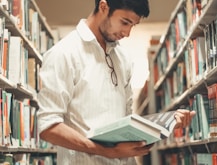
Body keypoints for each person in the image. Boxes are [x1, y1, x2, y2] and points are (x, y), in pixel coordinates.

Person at [37, 0, 196, 164]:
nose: (127, 33)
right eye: (124, 22)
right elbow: (48, 127)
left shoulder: (123, 58)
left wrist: (165, 125)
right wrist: (106, 152)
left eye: (132, 25)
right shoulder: (63, 53)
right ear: (103, 6)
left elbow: (126, 122)